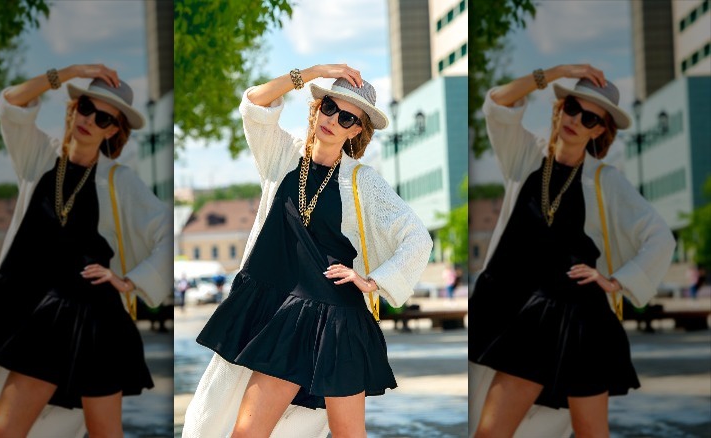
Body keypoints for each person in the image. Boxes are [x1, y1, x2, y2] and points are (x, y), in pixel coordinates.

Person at [183, 64, 433, 438]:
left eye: (347, 117)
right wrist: (311, 73)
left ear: (356, 130)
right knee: (246, 433)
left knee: (349, 433)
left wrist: (373, 281)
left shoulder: (362, 182)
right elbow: (253, 104)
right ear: (318, 107)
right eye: (330, 107)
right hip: (286, 318)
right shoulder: (283, 155)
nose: (334, 119)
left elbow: (417, 237)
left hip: (339, 321)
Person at [0, 64, 172, 438]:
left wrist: (130, 281)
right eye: (85, 107)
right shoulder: (40, 156)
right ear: (73, 107)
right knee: (3, 433)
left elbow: (168, 233)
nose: (89, 121)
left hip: (97, 321)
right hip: (40, 319)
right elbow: (12, 105)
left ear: (113, 129)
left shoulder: (119, 181)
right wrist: (68, 73)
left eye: (102, 118)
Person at [468, 64, 675, 437]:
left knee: (590, 434)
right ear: (559, 109)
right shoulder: (527, 156)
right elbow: (498, 104)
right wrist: (556, 73)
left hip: (583, 322)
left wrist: (616, 281)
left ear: (600, 129)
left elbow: (661, 236)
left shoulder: (605, 181)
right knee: (490, 432)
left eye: (589, 117)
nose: (576, 119)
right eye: (571, 108)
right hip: (528, 320)